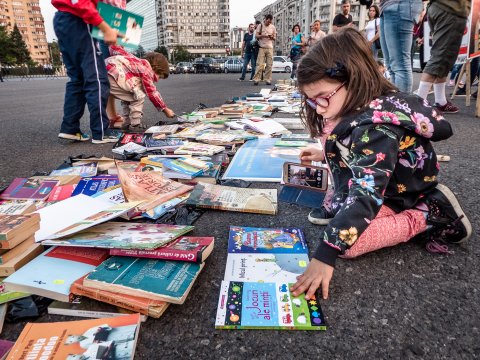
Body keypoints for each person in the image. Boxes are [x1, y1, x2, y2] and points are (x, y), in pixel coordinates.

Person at [290, 28, 472, 301]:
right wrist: (322, 153)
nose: (317, 107)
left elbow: (367, 192)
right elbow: (353, 150)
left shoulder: (376, 128)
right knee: (344, 215)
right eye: (311, 100)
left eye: (323, 97)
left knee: (350, 243)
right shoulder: (356, 106)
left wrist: (327, 253)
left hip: (400, 194)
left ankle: (429, 214)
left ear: (353, 78)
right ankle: (343, 211)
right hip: (384, 183)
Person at [52, 0, 120, 144]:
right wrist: (106, 29)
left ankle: (70, 128)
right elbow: (81, 2)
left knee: (77, 79)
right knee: (97, 79)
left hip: (63, 20)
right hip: (79, 21)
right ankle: (101, 131)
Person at [415, 1, 470, 113]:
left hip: (439, 7)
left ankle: (440, 101)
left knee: (445, 58)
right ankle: (418, 108)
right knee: (440, 56)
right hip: (451, 9)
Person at [105, 46, 175, 132]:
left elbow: (117, 49)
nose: (157, 80)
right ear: (156, 68)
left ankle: (126, 123)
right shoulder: (147, 70)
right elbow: (152, 93)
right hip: (113, 78)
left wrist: (115, 43)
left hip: (104, 72)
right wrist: (165, 109)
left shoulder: (133, 58)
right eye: (159, 76)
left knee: (131, 95)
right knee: (139, 96)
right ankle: (135, 124)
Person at [379, 0, 423, 93]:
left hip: (399, 6)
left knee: (400, 65)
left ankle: (402, 105)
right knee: (390, 66)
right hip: (386, 7)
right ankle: (395, 102)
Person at [252, 14, 276, 86]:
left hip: (270, 47)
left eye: (270, 22)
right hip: (262, 47)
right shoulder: (260, 26)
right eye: (268, 21)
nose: (269, 23)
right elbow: (256, 36)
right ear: (265, 19)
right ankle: (256, 79)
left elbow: (274, 38)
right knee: (260, 64)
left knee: (269, 64)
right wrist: (263, 35)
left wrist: (271, 37)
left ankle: (268, 79)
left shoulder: (273, 27)